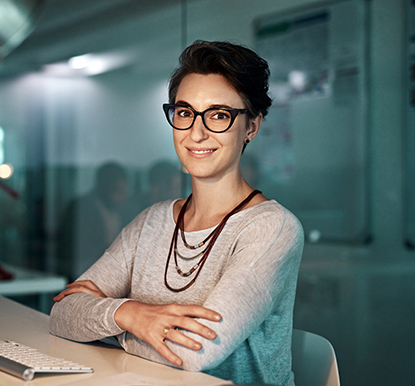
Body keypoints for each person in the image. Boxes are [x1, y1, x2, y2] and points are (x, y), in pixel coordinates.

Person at [49, 40, 304, 386]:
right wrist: (130, 313)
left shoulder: (273, 228)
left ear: (252, 126)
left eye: (218, 115)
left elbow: (196, 352)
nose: (196, 133)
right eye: (184, 112)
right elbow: (62, 314)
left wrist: (108, 325)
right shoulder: (151, 221)